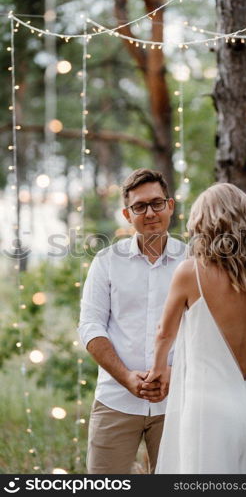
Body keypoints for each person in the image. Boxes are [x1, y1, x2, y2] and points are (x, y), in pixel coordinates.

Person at [146, 183, 246, 474]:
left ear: (205, 223)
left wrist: (158, 370)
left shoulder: (191, 271)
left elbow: (165, 332)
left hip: (209, 412)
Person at [77, 168, 186, 474]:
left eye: (156, 203)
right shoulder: (106, 262)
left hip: (176, 402)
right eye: (139, 206)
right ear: (127, 214)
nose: (150, 212)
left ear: (170, 206)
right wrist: (126, 377)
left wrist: (173, 373)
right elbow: (90, 326)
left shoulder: (193, 263)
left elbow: (206, 331)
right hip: (115, 399)